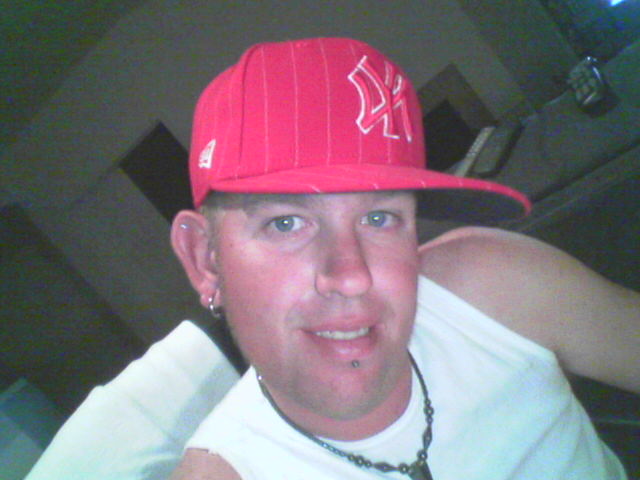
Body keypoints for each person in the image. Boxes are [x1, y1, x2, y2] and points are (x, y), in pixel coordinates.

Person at [169, 37, 639, 480]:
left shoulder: (498, 286)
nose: (351, 277)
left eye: (379, 218)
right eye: (286, 223)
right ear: (205, 260)